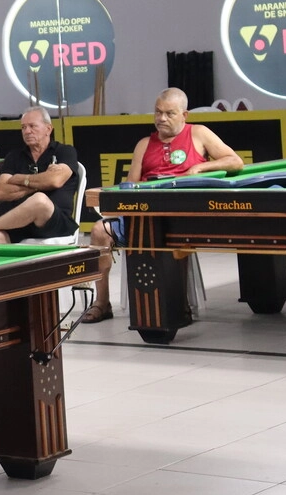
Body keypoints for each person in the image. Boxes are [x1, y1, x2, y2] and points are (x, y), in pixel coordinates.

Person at [80, 87, 242, 323]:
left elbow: (235, 162)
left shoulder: (199, 134)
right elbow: (130, 187)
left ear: (184, 115)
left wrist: (198, 168)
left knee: (175, 237)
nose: (161, 118)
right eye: (157, 112)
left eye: (169, 113)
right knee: (98, 231)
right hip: (144, 218)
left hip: (183, 218)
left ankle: (179, 305)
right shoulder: (144, 144)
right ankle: (102, 303)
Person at [0, 107, 80, 243]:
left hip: (55, 221)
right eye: (23, 127)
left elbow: (55, 181)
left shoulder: (65, 151)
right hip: (20, 223)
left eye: (32, 126)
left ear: (48, 129)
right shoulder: (14, 156)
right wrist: (41, 183)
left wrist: (19, 179)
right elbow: (1, 192)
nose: (27, 131)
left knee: (39, 200)